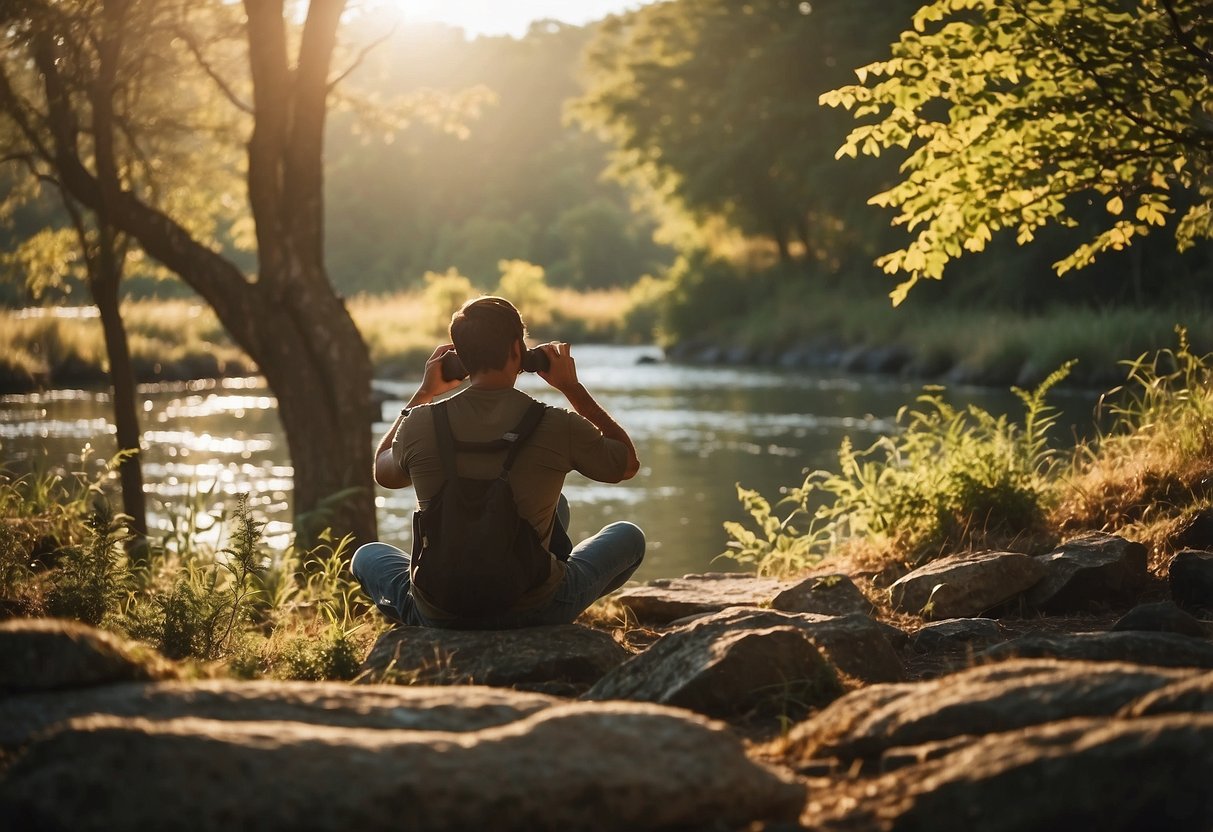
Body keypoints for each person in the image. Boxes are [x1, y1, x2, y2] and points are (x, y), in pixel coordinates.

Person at [351, 296, 645, 628]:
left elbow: (383, 471)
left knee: (366, 557)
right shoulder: (557, 424)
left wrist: (423, 393)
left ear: (460, 359)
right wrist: (572, 389)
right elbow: (626, 466)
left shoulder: (420, 423)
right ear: (518, 351)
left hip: (439, 611)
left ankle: (434, 619)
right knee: (628, 536)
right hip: (533, 610)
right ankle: (540, 601)